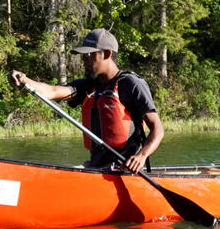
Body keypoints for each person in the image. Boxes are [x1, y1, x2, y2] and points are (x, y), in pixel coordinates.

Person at [10, 29, 165, 172]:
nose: (84, 59)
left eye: (89, 55)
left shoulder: (131, 84)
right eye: (83, 55)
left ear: (107, 54)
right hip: (95, 168)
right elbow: (52, 91)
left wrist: (142, 156)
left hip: (124, 170)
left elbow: (157, 129)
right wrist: (25, 80)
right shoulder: (87, 85)